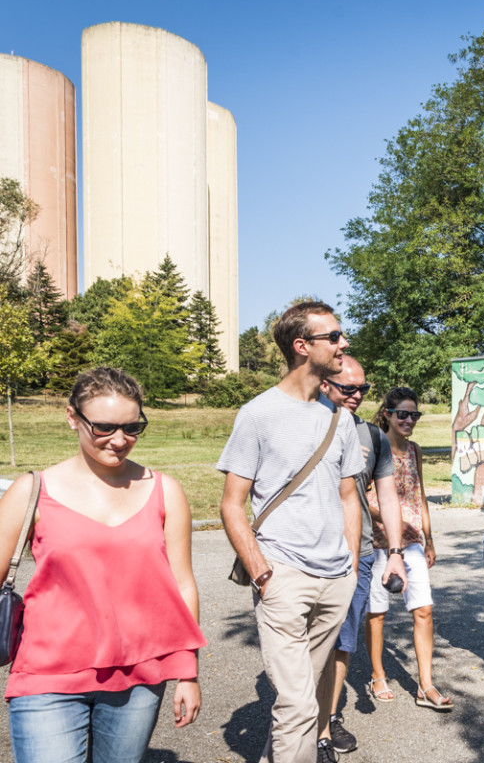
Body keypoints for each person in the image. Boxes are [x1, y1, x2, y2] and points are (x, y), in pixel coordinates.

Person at [218, 301, 405, 763]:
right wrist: (262, 572)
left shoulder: (340, 419)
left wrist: (346, 569)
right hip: (283, 575)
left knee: (306, 702)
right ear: (302, 347)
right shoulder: (258, 414)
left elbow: (348, 497)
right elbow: (230, 504)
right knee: (299, 703)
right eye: (334, 337)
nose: (344, 344)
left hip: (335, 578)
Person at [0, 367, 206, 763]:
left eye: (132, 427)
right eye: (104, 427)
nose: (119, 440)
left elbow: (183, 585)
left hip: (139, 680)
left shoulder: (165, 490)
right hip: (47, 674)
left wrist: (189, 672)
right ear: (72, 417)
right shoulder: (33, 491)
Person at [315, 358, 405, 759]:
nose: (356, 396)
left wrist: (397, 553)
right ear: (322, 384)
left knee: (343, 641)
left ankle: (330, 716)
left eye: (363, 390)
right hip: (306, 555)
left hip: (360, 553)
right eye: (347, 388)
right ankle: (305, 721)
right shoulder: (304, 425)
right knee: (305, 643)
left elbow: (387, 496)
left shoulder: (372, 436)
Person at [363, 387, 453, 711]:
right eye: (402, 413)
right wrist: (386, 521)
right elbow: (359, 496)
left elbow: (420, 496)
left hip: (412, 543)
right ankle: (377, 675)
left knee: (424, 610)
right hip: (377, 542)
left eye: (414, 414)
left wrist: (429, 539)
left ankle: (425, 685)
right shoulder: (374, 446)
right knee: (377, 614)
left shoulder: (414, 450)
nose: (409, 420)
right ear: (387, 414)